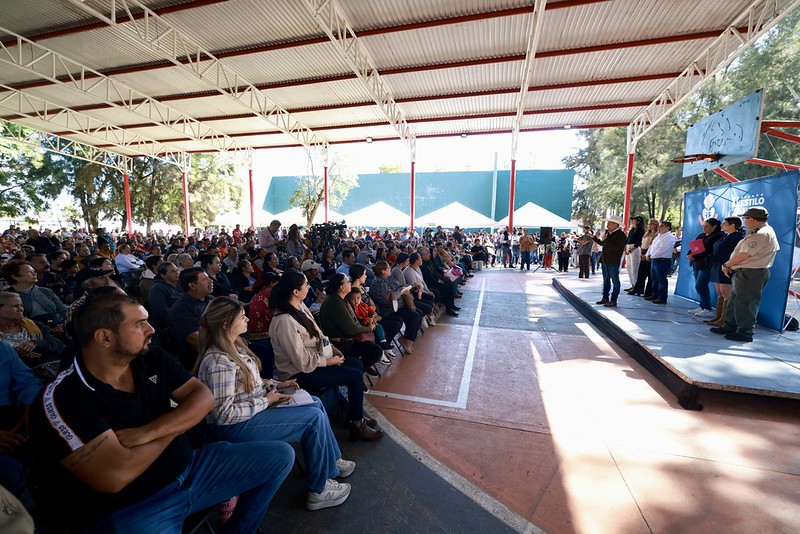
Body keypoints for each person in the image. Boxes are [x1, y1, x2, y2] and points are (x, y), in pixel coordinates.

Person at [29, 293, 294, 532]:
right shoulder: (64, 398)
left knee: (280, 456)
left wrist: (149, 432)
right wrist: (178, 426)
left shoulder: (150, 358)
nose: (152, 329)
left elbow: (203, 398)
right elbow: (115, 476)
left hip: (192, 469)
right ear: (105, 337)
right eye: (139, 324)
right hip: (138, 506)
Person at [195, 297, 354, 511]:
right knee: (312, 419)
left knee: (315, 402)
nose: (247, 318)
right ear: (225, 325)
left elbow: (249, 383)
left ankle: (331, 461)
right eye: (241, 317)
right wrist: (266, 400)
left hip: (251, 412)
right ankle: (319, 489)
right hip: (235, 427)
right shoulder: (218, 362)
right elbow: (224, 415)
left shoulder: (235, 346)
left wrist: (277, 385)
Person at [268, 269, 383, 441]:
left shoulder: (299, 306)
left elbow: (318, 334)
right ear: (296, 291)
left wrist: (332, 348)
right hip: (298, 373)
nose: (309, 287)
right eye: (306, 285)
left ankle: (351, 414)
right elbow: (301, 361)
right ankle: (357, 424)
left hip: (315, 360)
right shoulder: (284, 321)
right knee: (354, 376)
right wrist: (328, 362)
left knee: (357, 364)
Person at [710, 207, 779, 342]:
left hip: (751, 273)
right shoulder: (758, 231)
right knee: (735, 301)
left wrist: (727, 265)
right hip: (745, 272)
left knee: (746, 303)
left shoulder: (761, 234)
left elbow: (743, 255)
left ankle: (744, 332)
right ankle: (729, 326)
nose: (744, 221)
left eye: (745, 218)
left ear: (752, 219)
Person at [319, 273, 383, 374]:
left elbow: (353, 321)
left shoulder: (340, 298)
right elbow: (351, 330)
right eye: (348, 282)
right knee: (375, 351)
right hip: (341, 344)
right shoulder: (335, 302)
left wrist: (367, 322)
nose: (350, 283)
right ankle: (359, 371)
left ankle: (361, 368)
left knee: (375, 343)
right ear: (342, 287)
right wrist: (369, 328)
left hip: (348, 338)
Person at [0, 292, 64, 383]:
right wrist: (16, 352)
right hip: (19, 378)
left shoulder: (34, 325)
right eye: (15, 306)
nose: (21, 309)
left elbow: (59, 345)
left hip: (53, 368)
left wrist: (35, 343)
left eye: (21, 305)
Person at [369, 261, 422, 354]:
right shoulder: (378, 283)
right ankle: (407, 339)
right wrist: (402, 291)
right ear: (383, 271)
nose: (390, 269)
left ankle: (409, 339)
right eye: (388, 268)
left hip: (399, 306)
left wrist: (408, 288)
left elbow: (400, 286)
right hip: (389, 310)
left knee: (419, 313)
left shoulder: (389, 278)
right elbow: (391, 297)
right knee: (414, 316)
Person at [168, 267, 214, 369]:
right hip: (203, 361)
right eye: (205, 279)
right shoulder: (180, 310)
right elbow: (197, 342)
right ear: (192, 285)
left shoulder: (209, 299)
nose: (211, 281)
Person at [1, 259, 68, 327]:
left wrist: (64, 325)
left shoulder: (46, 291)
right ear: (15, 277)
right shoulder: (6, 295)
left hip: (58, 325)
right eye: (29, 272)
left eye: (34, 271)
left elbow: (62, 310)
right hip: (29, 329)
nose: (35, 273)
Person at [705, 217, 745, 327]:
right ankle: (718, 316)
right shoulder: (725, 236)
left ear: (732, 225)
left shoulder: (736, 237)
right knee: (720, 292)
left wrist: (728, 265)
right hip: (717, 265)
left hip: (726, 266)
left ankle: (725, 319)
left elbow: (734, 254)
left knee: (726, 293)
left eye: (724, 224)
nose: (721, 226)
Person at [687, 218, 724, 318]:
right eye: (703, 226)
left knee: (701, 285)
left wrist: (695, 256)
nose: (704, 228)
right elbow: (694, 246)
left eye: (707, 226)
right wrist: (689, 254)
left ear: (714, 227)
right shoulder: (701, 235)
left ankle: (707, 308)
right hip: (697, 263)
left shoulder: (718, 236)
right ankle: (702, 306)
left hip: (707, 263)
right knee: (698, 284)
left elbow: (709, 250)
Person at [592, 215, 627, 307]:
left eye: (609, 223)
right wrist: (595, 238)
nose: (607, 225)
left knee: (615, 281)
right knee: (606, 280)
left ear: (615, 224)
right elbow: (603, 243)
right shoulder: (608, 234)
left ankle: (613, 299)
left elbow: (616, 247)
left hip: (613, 261)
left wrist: (606, 240)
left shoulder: (621, 235)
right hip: (605, 260)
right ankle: (605, 297)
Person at [643, 222, 677, 304]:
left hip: (662, 260)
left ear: (667, 228)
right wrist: (648, 254)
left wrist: (652, 256)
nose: (659, 227)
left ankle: (662, 297)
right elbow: (651, 246)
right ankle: (655, 294)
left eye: (662, 226)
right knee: (654, 279)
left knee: (661, 279)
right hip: (655, 260)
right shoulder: (658, 236)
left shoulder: (670, 237)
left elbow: (663, 249)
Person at [147, 262, 182, 330]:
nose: (177, 273)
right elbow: (162, 311)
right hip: (171, 323)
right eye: (173, 271)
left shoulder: (182, 284)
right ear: (163, 275)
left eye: (177, 270)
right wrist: (183, 316)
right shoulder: (157, 289)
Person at [629, 218, 659, 296]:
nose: (649, 226)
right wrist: (641, 253)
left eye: (651, 224)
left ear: (656, 225)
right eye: (648, 224)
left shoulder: (657, 234)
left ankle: (648, 292)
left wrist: (647, 254)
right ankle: (638, 289)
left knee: (649, 274)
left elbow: (652, 245)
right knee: (641, 273)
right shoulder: (647, 233)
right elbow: (642, 243)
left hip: (649, 253)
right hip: (643, 251)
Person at [624, 215, 644, 289]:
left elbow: (639, 241)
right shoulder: (632, 229)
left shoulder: (640, 230)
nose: (632, 221)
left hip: (634, 248)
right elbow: (627, 239)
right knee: (629, 267)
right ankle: (632, 284)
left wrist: (631, 249)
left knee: (634, 268)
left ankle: (636, 285)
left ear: (638, 221)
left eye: (634, 220)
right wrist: (625, 248)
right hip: (628, 247)